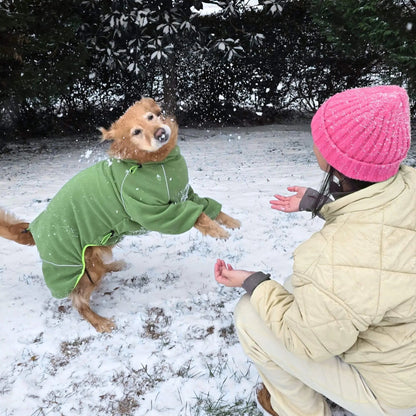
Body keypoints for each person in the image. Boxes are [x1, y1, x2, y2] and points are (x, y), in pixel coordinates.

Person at [214, 85, 416, 416]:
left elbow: (306, 341)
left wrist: (255, 282)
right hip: (404, 351)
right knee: (300, 290)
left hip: (395, 395)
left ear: (338, 159)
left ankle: (299, 410)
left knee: (251, 313)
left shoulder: (333, 254)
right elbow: (383, 228)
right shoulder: (409, 185)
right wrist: (323, 203)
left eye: (322, 138)